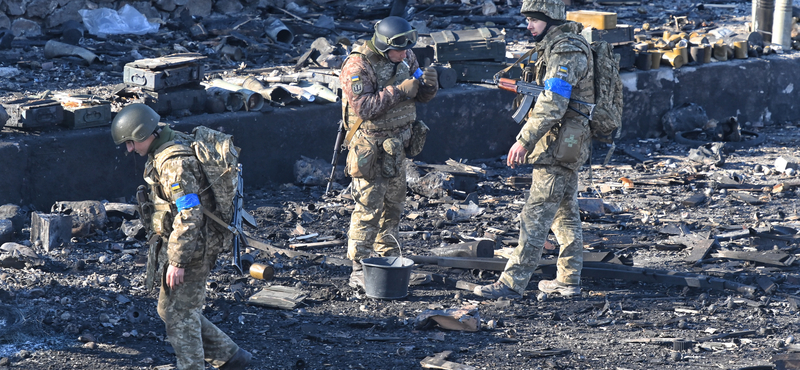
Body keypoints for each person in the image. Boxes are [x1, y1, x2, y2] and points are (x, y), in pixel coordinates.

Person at [111, 103, 251, 370]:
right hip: (189, 242)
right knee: (169, 310)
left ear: (145, 134)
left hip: (195, 247)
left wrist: (178, 262)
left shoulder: (173, 163)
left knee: (180, 317)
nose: (130, 149)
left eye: (131, 142)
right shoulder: (168, 142)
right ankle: (231, 357)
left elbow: (189, 214)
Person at [474, 0, 594, 299]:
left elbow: (554, 102)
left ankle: (511, 283)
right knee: (564, 214)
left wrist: (524, 140)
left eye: (534, 20)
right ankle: (568, 281)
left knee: (535, 214)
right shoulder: (554, 46)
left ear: (550, 19)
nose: (528, 25)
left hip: (561, 143)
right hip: (563, 141)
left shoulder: (566, 50)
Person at [339, 16, 439, 288]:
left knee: (393, 207)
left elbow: (420, 95)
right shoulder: (358, 64)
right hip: (370, 150)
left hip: (397, 148)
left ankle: (389, 259)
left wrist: (429, 86)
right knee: (368, 208)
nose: (404, 53)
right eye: (398, 49)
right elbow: (363, 108)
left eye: (408, 48)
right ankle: (358, 266)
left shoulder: (406, 58)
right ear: (384, 45)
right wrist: (398, 91)